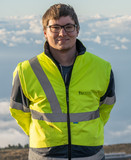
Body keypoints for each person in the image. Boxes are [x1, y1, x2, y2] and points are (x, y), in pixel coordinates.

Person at [10, 3, 116, 160]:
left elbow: (106, 106)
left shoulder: (102, 68)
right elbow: (19, 111)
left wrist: (89, 133)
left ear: (77, 30)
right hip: (44, 155)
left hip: (90, 155)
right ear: (45, 32)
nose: (62, 33)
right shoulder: (26, 70)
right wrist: (42, 136)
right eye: (55, 27)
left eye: (68, 27)